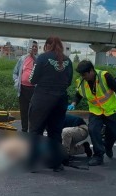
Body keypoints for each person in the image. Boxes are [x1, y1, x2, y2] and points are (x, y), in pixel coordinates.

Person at [68, 60, 116, 166]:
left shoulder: (104, 76)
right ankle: (98, 155)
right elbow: (79, 94)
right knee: (93, 129)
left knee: (114, 133)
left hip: (111, 110)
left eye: (84, 74)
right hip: (95, 110)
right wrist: (74, 103)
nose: (82, 77)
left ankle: (108, 146)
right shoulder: (81, 82)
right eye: (81, 75)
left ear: (91, 71)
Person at [27, 36, 73, 172]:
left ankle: (32, 163)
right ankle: (56, 163)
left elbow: (32, 79)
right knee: (55, 132)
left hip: (42, 99)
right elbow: (69, 81)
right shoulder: (68, 61)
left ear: (47, 46)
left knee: (35, 131)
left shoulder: (42, 58)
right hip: (60, 100)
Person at [12, 41, 38, 132]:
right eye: (33, 46)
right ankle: (24, 130)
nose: (34, 48)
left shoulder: (38, 59)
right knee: (23, 111)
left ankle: (32, 131)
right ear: (29, 48)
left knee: (33, 112)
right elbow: (15, 72)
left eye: (36, 47)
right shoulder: (22, 59)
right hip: (22, 89)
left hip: (34, 90)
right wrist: (16, 81)